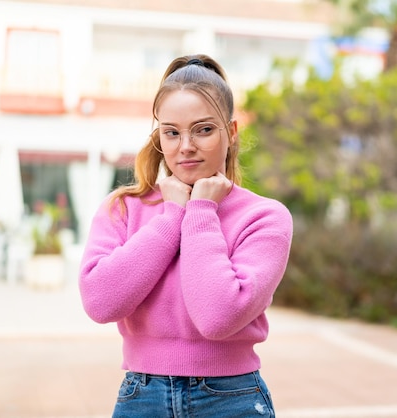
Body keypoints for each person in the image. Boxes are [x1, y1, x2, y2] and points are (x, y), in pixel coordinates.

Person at [78, 54, 293, 417]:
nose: (186, 146)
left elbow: (217, 316)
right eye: (172, 132)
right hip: (141, 397)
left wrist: (200, 211)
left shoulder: (265, 217)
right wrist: (170, 216)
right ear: (159, 135)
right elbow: (100, 303)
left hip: (231, 398)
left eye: (204, 129)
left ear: (232, 132)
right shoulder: (124, 208)